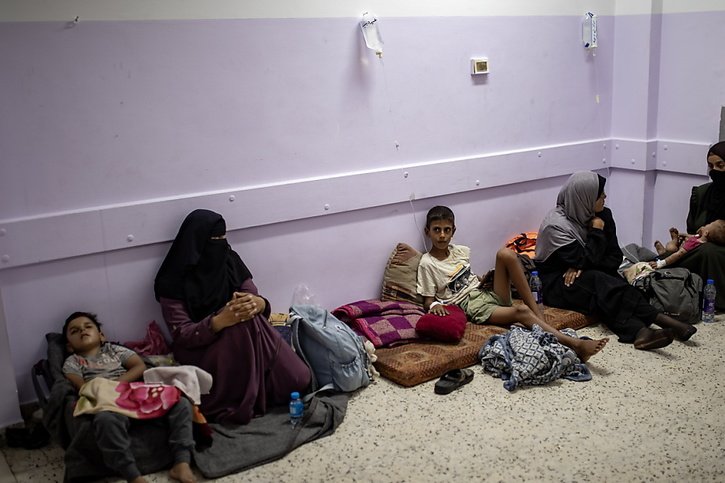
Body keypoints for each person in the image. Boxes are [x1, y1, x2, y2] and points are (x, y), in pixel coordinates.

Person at [154, 209, 311, 425]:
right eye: (213, 240)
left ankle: (254, 388)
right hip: (203, 349)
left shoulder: (229, 260)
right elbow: (182, 334)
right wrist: (218, 321)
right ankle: (250, 393)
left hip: (248, 337)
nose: (220, 244)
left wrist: (259, 304)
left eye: (223, 238)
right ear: (196, 243)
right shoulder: (172, 279)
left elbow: (252, 294)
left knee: (300, 379)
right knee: (242, 321)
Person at [416, 205, 608, 362]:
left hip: (484, 292)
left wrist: (485, 280)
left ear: (453, 231)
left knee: (505, 253)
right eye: (437, 230)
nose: (442, 235)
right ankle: (575, 344)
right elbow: (428, 299)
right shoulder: (427, 263)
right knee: (521, 311)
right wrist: (435, 305)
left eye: (446, 230)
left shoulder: (460, 251)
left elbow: (466, 278)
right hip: (471, 305)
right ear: (428, 232)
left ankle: (539, 316)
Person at [534, 171, 697, 351]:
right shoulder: (555, 226)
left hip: (588, 275)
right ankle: (661, 320)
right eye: (599, 194)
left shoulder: (603, 215)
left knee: (606, 291)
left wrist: (582, 263)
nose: (605, 196)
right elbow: (590, 259)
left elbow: (613, 259)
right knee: (601, 283)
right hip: (558, 281)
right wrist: (596, 232)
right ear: (585, 198)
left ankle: (640, 333)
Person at [62, 312, 196, 483]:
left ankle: (182, 462)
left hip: (130, 391)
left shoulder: (114, 350)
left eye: (88, 326)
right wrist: (107, 391)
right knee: (104, 421)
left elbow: (139, 366)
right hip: (105, 399)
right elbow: (82, 387)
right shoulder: (73, 361)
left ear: (102, 335)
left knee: (180, 402)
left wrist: (117, 386)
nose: (82, 331)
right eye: (75, 331)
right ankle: (132, 475)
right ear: (69, 346)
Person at [665, 141, 725, 309]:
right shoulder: (702, 193)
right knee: (678, 252)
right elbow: (692, 228)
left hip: (715, 251)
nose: (715, 171)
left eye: (721, 165)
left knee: (708, 251)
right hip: (698, 246)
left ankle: (715, 302)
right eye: (711, 166)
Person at [651, 220, 725, 269]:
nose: (705, 225)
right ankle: (674, 240)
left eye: (708, 224)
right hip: (685, 244)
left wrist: (661, 263)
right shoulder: (701, 239)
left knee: (671, 248)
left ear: (706, 233)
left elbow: (678, 255)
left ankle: (665, 250)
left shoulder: (693, 244)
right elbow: (692, 236)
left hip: (678, 252)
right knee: (678, 242)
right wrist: (683, 234)